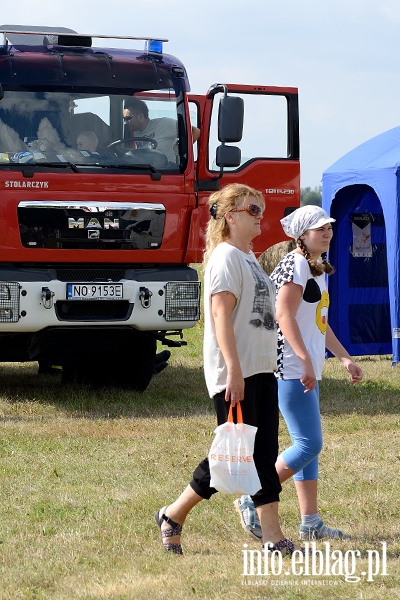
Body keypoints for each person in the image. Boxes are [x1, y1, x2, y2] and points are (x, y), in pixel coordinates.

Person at [154, 184, 294, 555]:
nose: (260, 215)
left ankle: (268, 537)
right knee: (236, 453)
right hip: (239, 372)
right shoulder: (226, 257)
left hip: (260, 370)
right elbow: (219, 316)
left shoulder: (248, 257)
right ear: (230, 216)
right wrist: (233, 369)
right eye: (253, 209)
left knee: (257, 452)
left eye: (261, 209)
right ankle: (176, 516)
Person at [235, 205, 363, 541]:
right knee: (309, 443)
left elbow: (319, 322)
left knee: (306, 445)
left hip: (303, 366)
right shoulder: (295, 264)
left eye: (329, 227)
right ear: (302, 234)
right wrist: (305, 361)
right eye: (319, 228)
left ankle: (310, 523)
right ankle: (253, 498)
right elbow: (284, 315)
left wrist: (344, 358)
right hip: (289, 367)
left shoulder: (316, 266)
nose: (327, 232)